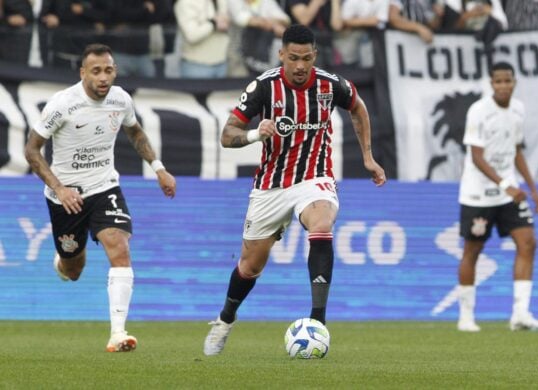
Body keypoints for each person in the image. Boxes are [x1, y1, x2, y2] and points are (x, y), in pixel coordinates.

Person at [203, 24, 386, 356]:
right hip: (271, 185)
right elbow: (227, 135)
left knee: (321, 224)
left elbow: (358, 108)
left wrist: (368, 157)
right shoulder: (264, 86)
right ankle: (225, 318)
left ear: (314, 55)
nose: (300, 66)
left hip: (314, 177)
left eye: (306, 58)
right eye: (293, 58)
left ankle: (318, 321)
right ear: (281, 55)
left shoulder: (331, 86)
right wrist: (255, 135)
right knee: (250, 266)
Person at [24, 43, 177, 351]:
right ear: (83, 73)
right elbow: (31, 150)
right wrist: (59, 188)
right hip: (65, 197)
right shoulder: (62, 104)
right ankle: (64, 259)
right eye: (96, 71)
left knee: (119, 248)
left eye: (109, 70)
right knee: (73, 269)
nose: (103, 77)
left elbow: (135, 132)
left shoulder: (121, 100)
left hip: (104, 186)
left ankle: (118, 333)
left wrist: (159, 168)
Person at [457, 61, 538, 333]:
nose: (503, 85)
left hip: (510, 193)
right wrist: (506, 184)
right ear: (491, 83)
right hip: (478, 194)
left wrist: (532, 189)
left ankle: (520, 315)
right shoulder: (479, 111)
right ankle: (466, 317)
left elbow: (516, 151)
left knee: (528, 242)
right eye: (498, 81)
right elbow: (476, 156)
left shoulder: (519, 109)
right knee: (473, 250)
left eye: (508, 80)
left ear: (514, 82)